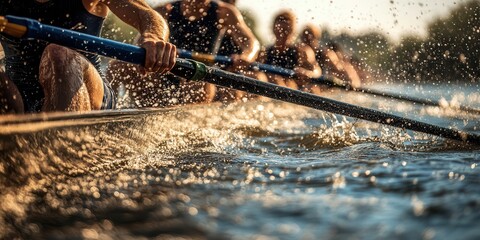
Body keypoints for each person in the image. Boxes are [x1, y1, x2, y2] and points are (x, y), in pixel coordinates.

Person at [0, 0, 176, 114]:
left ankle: (61, 142)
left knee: (58, 54)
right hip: (21, 97)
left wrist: (153, 37)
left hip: (90, 92)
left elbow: (147, 14)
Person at [108, 0, 261, 107]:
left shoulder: (223, 12)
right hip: (165, 70)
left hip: (200, 76)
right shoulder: (165, 11)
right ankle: (108, 108)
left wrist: (246, 57)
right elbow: (139, 44)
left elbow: (251, 42)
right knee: (117, 66)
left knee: (194, 87)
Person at [258, 11, 322, 94]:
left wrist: (308, 73)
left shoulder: (303, 51)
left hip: (294, 91)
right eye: (280, 31)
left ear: (293, 32)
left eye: (286, 31)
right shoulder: (264, 53)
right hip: (271, 91)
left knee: (313, 89)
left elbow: (317, 71)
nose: (283, 35)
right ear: (274, 30)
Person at [299, 24, 362, 89]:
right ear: (301, 38)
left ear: (317, 38)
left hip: (325, 90)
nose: (308, 39)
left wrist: (350, 84)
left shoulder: (325, 54)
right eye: (305, 37)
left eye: (311, 37)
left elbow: (345, 75)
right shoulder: (298, 52)